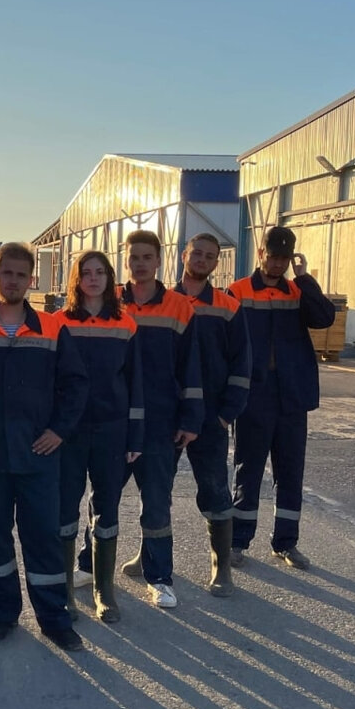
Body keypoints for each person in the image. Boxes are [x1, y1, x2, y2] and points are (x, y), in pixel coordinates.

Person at [0, 242, 87, 652]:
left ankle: (54, 619)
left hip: (39, 454)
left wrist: (59, 431)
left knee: (43, 537)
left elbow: (75, 386)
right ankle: (3, 613)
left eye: (21, 275)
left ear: (31, 280)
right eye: (7, 273)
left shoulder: (52, 328)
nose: (13, 281)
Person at [227, 226, 336, 570]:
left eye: (284, 259)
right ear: (261, 253)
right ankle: (237, 541)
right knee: (248, 469)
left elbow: (324, 318)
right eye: (273, 257)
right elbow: (225, 340)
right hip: (254, 394)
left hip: (291, 395)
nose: (278, 264)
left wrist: (305, 279)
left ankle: (286, 543)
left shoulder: (297, 290)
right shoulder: (239, 291)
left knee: (290, 471)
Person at [117, 230, 203, 609]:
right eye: (133, 256)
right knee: (103, 497)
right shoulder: (107, 302)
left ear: (159, 260)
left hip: (159, 422)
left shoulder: (179, 308)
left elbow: (191, 368)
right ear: (125, 259)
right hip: (114, 422)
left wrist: (190, 418)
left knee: (156, 500)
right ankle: (89, 564)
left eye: (146, 257)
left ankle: (160, 577)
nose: (140, 263)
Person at [58, 251, 143, 623]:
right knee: (64, 509)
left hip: (112, 431)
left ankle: (103, 590)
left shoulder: (126, 324)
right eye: (85, 273)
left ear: (110, 278)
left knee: (106, 508)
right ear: (76, 280)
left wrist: (135, 436)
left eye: (99, 272)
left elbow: (136, 384)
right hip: (68, 433)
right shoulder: (58, 323)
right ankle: (64, 592)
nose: (92, 279)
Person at [167, 233, 251, 597]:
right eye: (196, 253)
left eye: (209, 256)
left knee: (216, 490)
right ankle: (149, 555)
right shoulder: (163, 302)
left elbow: (242, 364)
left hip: (210, 417)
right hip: (168, 414)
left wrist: (226, 414)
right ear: (183, 256)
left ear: (217, 263)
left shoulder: (227, 306)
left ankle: (221, 568)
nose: (202, 259)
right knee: (157, 490)